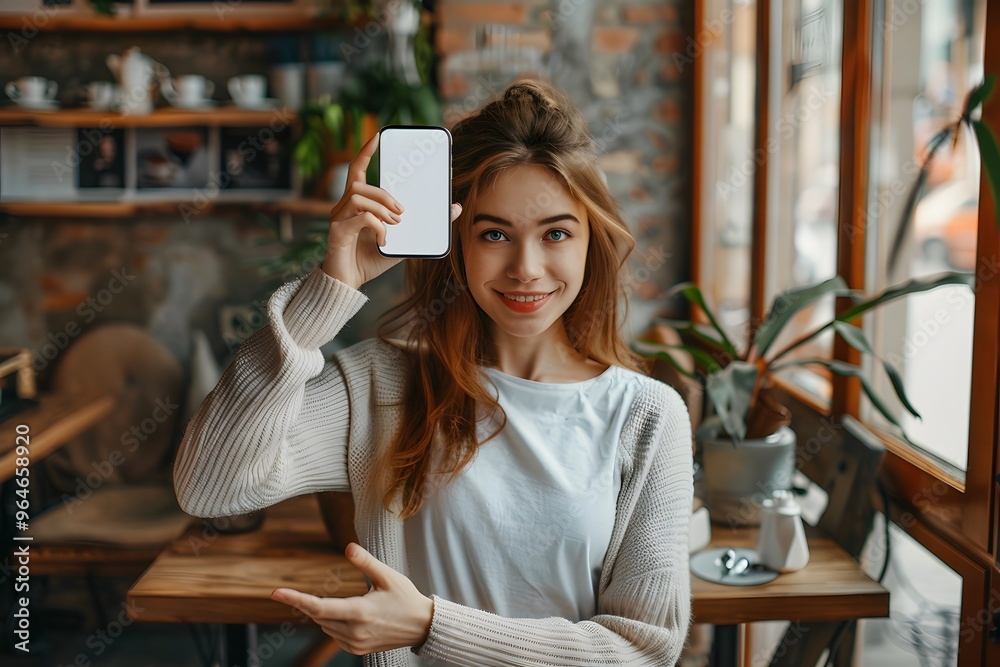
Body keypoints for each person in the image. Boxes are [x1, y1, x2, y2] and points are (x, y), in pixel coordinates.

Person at [173, 80, 694, 667]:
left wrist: (430, 626)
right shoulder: (381, 385)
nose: (526, 268)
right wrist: (329, 290)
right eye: (494, 233)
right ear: (457, 244)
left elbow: (644, 650)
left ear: (588, 243)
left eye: (555, 233)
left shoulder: (648, 415)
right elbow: (210, 488)